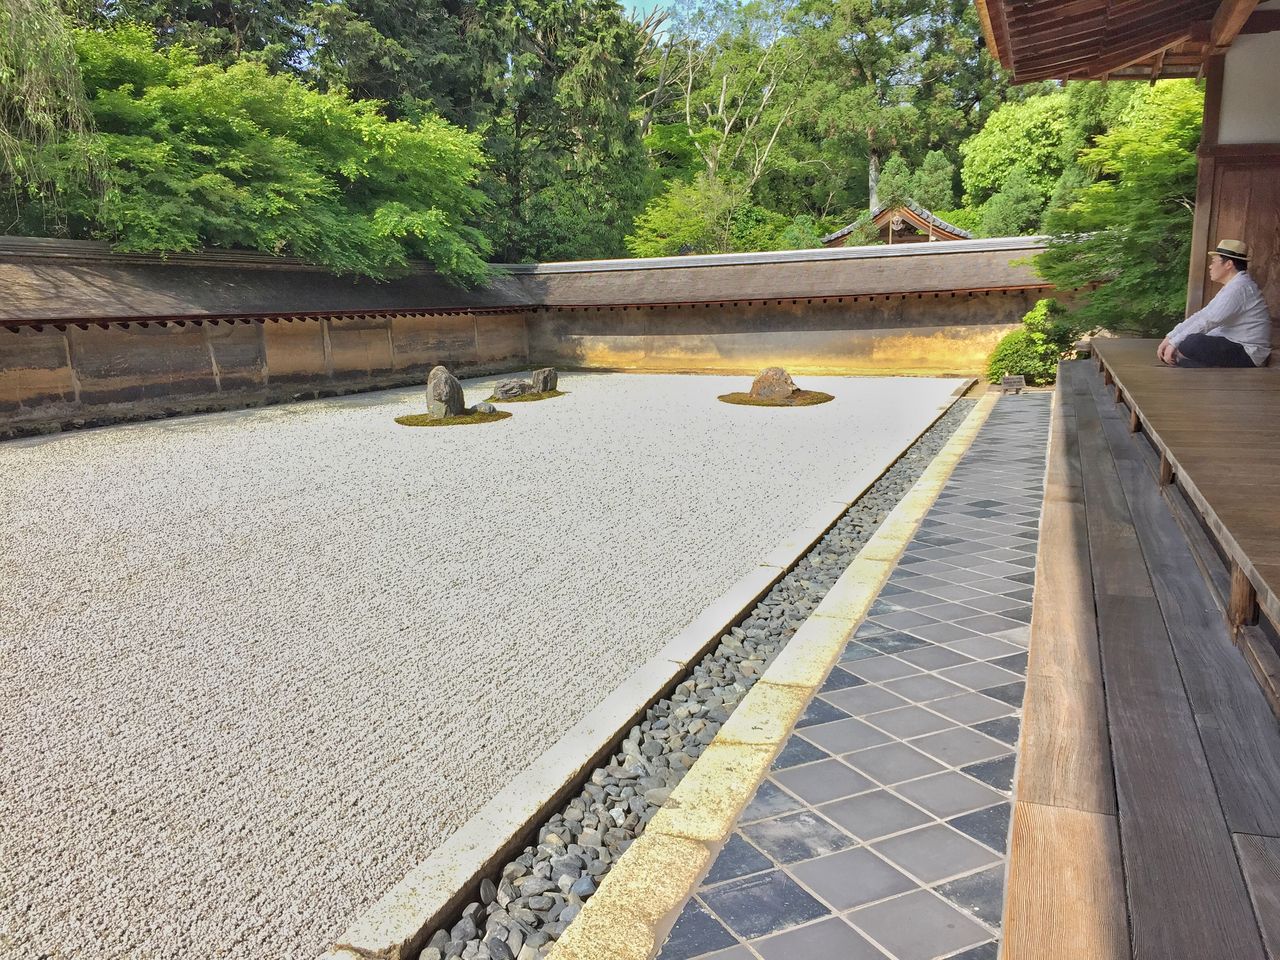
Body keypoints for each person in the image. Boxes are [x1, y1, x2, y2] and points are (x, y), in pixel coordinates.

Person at [1157, 239, 1271, 367]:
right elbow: (1202, 315)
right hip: (1233, 344)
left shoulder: (1239, 288)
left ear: (1228, 264)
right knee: (1186, 342)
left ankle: (1186, 360)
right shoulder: (1232, 286)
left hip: (1248, 352)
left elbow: (1209, 321)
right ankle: (1187, 360)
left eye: (1214, 261)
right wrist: (1170, 337)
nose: (1210, 266)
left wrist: (1175, 343)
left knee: (1191, 343)